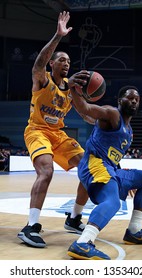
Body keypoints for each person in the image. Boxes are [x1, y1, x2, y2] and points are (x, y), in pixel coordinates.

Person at [66, 71, 142, 260]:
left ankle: (134, 231)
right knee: (113, 202)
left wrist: (124, 178)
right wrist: (72, 89)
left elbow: (113, 156)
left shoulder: (129, 131)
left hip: (111, 168)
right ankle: (83, 242)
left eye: (137, 99)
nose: (134, 101)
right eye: (130, 98)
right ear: (120, 100)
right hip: (94, 165)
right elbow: (85, 108)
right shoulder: (111, 113)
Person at [17, 11, 90, 248]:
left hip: (58, 134)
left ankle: (74, 217)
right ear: (52, 63)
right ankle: (31, 226)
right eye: (62, 60)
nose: (66, 63)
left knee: (90, 168)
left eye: (69, 61)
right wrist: (58, 36)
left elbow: (86, 115)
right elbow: (38, 61)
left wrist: (109, 121)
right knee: (46, 172)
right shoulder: (42, 79)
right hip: (37, 130)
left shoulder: (71, 88)